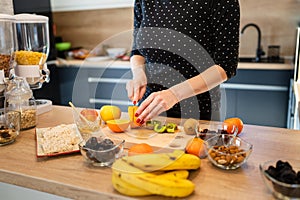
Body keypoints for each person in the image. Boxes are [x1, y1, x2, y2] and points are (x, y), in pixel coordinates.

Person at [126, 0, 240, 125]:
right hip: (150, 110)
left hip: (197, 113)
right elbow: (137, 51)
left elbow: (226, 66)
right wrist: (138, 74)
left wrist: (174, 94)